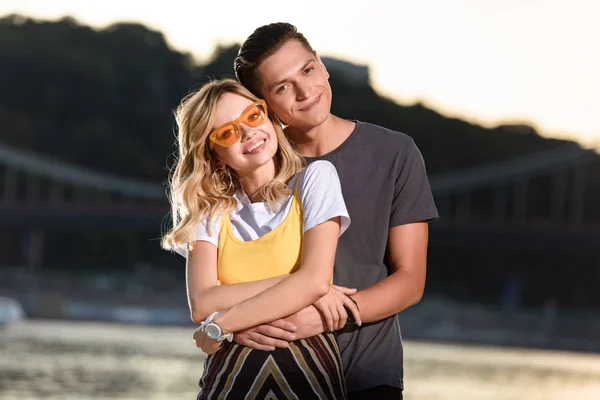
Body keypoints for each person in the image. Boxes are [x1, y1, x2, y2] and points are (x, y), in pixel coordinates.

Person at [223, 22, 439, 399]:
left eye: (307, 70)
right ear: (262, 103)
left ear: (321, 65)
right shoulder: (251, 163)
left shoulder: (395, 153)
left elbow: (410, 280)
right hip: (272, 369)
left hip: (368, 375)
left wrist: (322, 317)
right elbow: (222, 277)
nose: (305, 91)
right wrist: (231, 325)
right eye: (282, 87)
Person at [161, 78, 359, 399]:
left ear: (267, 117)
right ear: (215, 156)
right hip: (230, 379)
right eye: (227, 132)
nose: (249, 132)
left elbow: (315, 281)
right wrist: (299, 283)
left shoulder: (315, 179)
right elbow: (202, 303)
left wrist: (223, 326)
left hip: (307, 375)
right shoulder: (210, 210)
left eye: (252, 116)